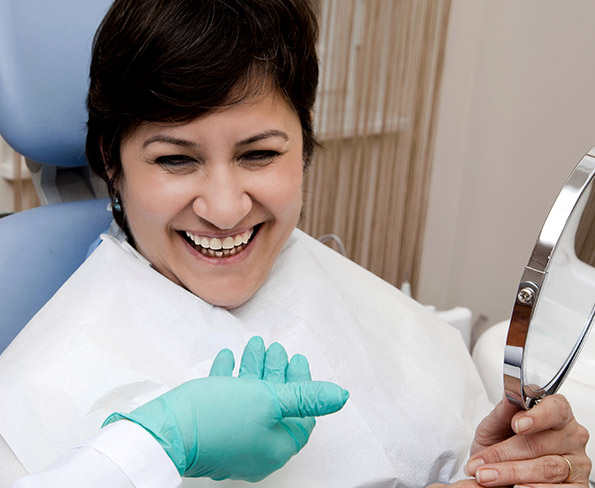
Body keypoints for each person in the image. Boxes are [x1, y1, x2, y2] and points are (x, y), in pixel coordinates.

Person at [0, 0, 590, 486]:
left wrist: (504, 469)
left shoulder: (348, 287)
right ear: (113, 161)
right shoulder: (37, 403)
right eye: (176, 160)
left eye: (259, 154)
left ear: (304, 146)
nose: (226, 208)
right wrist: (158, 446)